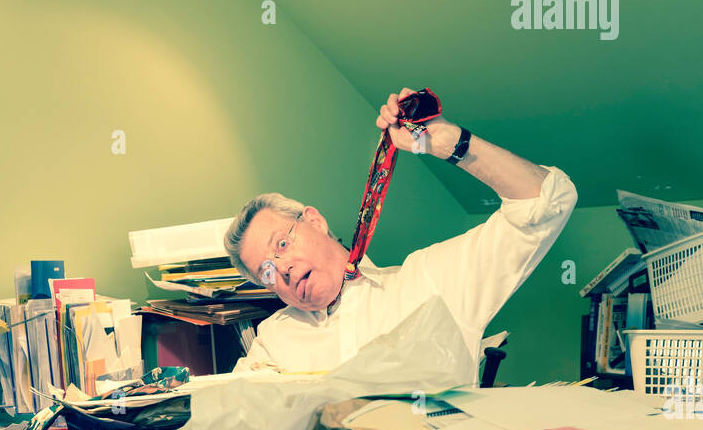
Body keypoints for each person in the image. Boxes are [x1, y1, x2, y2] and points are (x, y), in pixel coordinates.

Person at [224, 87, 577, 379]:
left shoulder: (431, 281)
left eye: (282, 244)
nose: (281, 268)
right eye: (266, 271)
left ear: (314, 221)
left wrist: (449, 143)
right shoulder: (273, 341)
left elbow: (548, 203)